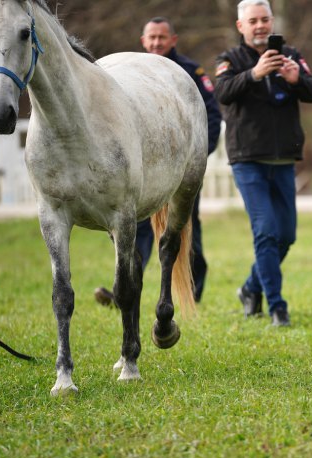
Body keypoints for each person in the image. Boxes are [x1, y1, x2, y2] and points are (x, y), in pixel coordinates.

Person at [94, 16, 222, 306]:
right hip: (144, 171)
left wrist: (195, 158)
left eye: (161, 38)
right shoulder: (127, 75)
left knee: (186, 228)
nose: (156, 43)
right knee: (134, 231)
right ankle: (123, 291)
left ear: (173, 40)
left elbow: (211, 116)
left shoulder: (189, 72)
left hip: (181, 168)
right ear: (143, 41)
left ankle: (193, 290)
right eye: (151, 38)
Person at [214, 0, 312, 326]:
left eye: (265, 19)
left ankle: (250, 288)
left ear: (272, 22)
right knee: (266, 231)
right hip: (249, 160)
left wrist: (295, 79)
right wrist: (254, 73)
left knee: (285, 235)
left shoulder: (290, 54)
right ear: (241, 26)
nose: (260, 25)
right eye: (253, 21)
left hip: (285, 159)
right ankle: (277, 307)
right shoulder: (229, 60)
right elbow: (223, 92)